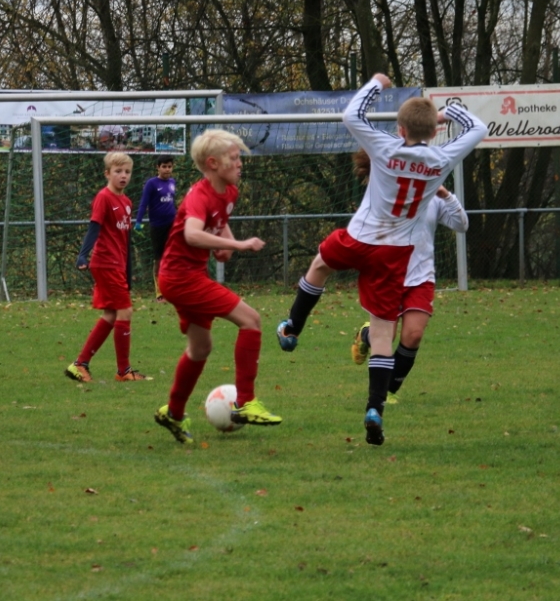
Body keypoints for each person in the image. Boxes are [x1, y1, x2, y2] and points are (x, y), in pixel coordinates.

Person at [276, 73, 488, 445]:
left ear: (400, 129)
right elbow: (479, 127)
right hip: (394, 254)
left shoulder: (386, 148)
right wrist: (448, 112)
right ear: (433, 131)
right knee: (381, 332)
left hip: (359, 239)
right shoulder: (442, 158)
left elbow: (352, 115)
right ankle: (374, 408)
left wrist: (376, 83)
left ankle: (293, 327)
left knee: (320, 265)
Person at [153, 129, 281, 444]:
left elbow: (219, 220)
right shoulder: (199, 195)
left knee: (201, 348)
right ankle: (245, 402)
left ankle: (173, 413)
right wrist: (239, 245)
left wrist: (225, 242)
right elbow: (192, 234)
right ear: (212, 163)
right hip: (181, 278)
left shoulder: (229, 191)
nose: (240, 164)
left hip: (187, 275)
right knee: (251, 320)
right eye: (234, 158)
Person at [350, 184, 468, 405]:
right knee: (386, 337)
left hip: (421, 278)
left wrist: (446, 195)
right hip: (388, 276)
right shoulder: (388, 189)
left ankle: (388, 390)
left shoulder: (434, 195)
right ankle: (366, 334)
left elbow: (462, 225)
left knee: (413, 335)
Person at [64, 151, 146, 383]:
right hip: (105, 263)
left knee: (111, 314)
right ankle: (123, 371)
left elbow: (125, 241)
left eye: (127, 172)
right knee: (125, 311)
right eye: (118, 171)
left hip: (117, 265)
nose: (123, 176)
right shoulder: (104, 197)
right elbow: (94, 227)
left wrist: (128, 272)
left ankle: (80, 364)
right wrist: (83, 255)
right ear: (107, 174)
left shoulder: (127, 202)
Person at [134, 154, 177, 301]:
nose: (167, 169)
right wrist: (138, 221)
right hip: (158, 226)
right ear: (158, 167)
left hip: (172, 225)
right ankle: (159, 292)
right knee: (159, 258)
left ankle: (172, 288)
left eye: (169, 166)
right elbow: (143, 203)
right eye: (164, 166)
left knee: (173, 257)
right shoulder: (151, 183)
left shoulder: (172, 182)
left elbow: (172, 202)